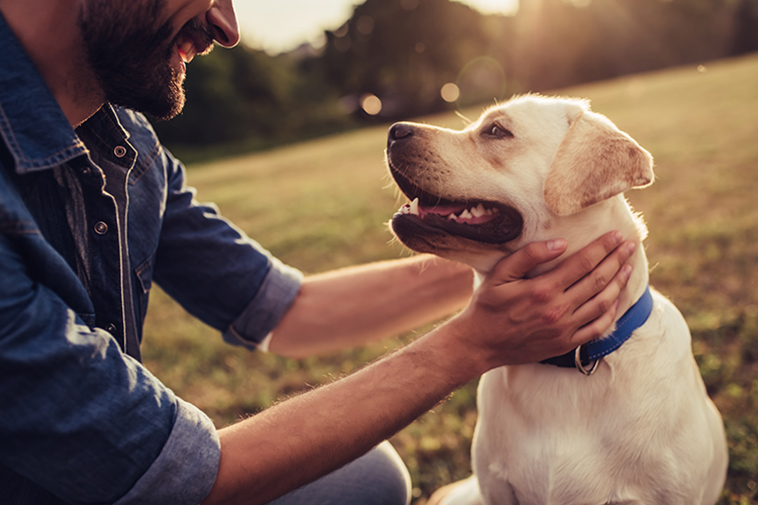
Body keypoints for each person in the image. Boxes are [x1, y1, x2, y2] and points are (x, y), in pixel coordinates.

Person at [0, 1, 637, 504]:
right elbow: (166, 479)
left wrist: (529, 257)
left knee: (365, 479)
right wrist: (474, 342)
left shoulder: (126, 147)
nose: (226, 25)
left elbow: (289, 309)